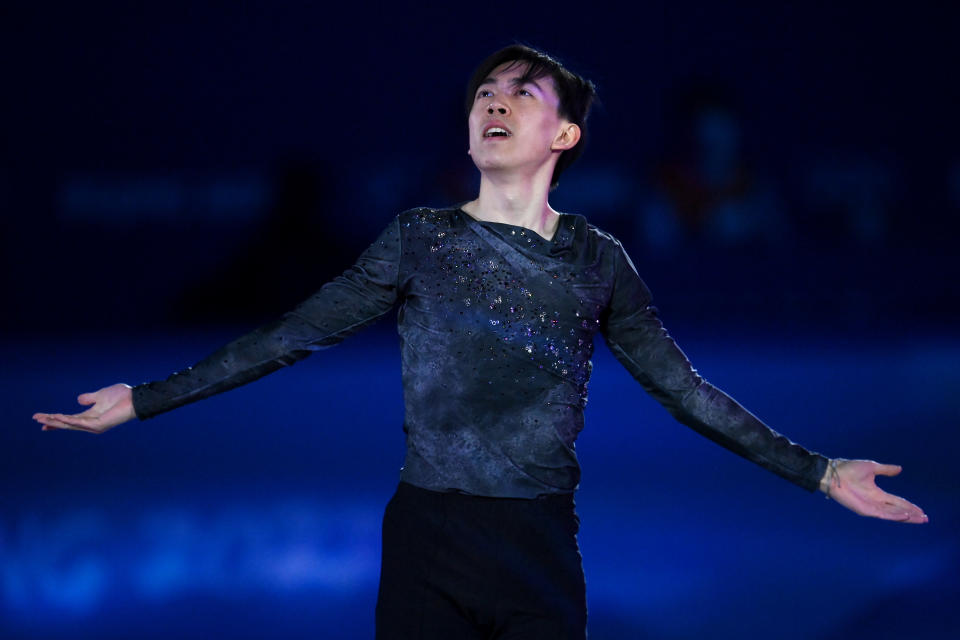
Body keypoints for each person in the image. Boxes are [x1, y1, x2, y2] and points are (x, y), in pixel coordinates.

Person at [33, 44, 927, 639]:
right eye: (483, 94)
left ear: (564, 133)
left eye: (520, 93)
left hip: (536, 548)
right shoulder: (418, 239)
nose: (494, 103)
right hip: (427, 539)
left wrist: (818, 471)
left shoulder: (597, 260)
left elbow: (685, 391)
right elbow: (289, 336)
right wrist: (144, 399)